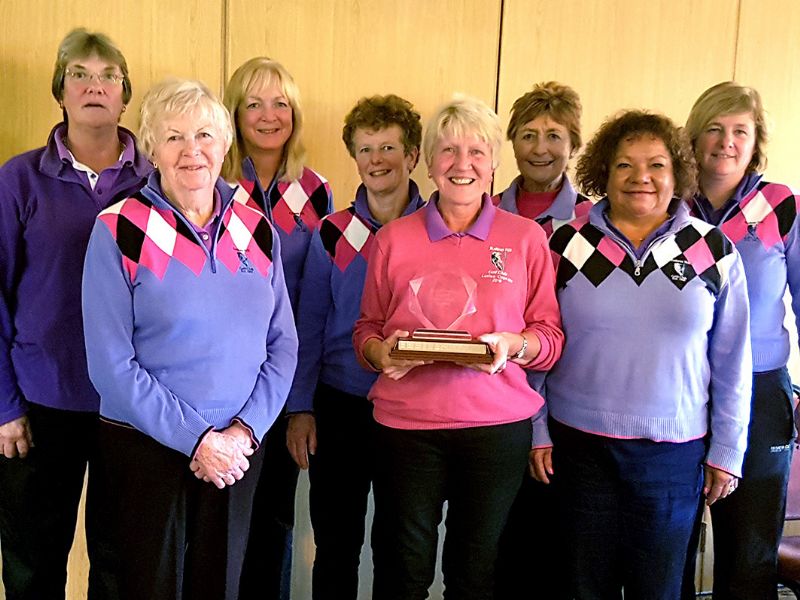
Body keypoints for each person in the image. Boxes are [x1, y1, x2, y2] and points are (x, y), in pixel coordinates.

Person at [81, 78, 298, 600]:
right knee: (147, 587)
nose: (191, 150)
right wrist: (198, 440)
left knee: (220, 586)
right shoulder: (118, 228)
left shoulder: (256, 227)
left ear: (225, 145)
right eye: (174, 136)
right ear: (153, 146)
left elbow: (283, 343)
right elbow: (110, 364)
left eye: (204, 134)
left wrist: (243, 434)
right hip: (147, 450)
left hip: (239, 452)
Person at [353, 95, 564, 600]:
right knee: (403, 571)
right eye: (448, 150)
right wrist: (384, 354)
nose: (462, 164)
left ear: (494, 163)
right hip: (407, 430)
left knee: (476, 574)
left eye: (476, 151)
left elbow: (550, 339)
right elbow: (366, 330)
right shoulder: (393, 240)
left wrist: (515, 345)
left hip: (496, 432)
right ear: (428, 162)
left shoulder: (528, 238)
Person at [543, 109, 752, 600]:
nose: (641, 178)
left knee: (657, 589)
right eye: (624, 165)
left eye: (656, 165)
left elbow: (732, 362)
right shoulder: (565, 244)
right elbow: (539, 340)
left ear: (677, 173)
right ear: (603, 173)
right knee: (580, 586)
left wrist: (728, 450)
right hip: (577, 447)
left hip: (673, 456)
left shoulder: (713, 250)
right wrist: (534, 430)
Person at [0, 28, 151, 599]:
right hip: (40, 404)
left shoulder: (154, 181)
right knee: (34, 564)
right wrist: (4, 405)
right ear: (60, 91)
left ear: (125, 94)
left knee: (120, 562)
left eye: (109, 76)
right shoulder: (18, 180)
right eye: (80, 75)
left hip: (129, 405)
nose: (95, 86)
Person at [285, 94, 426, 599]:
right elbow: (309, 326)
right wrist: (301, 407)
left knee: (399, 545)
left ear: (412, 156)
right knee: (337, 543)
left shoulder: (436, 232)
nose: (376, 160)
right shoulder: (332, 233)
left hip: (413, 411)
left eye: (388, 147)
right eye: (365, 149)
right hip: (339, 405)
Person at [683, 81, 800, 600]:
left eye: (739, 131)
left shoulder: (782, 206)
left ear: (757, 142)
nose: (725, 142)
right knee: (671, 544)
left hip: (761, 392)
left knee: (749, 550)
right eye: (713, 128)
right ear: (692, 138)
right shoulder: (667, 205)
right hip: (681, 391)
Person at [222, 57, 333, 599]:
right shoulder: (212, 181)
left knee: (274, 519)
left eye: (281, 103)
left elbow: (317, 300)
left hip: (284, 381)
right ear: (234, 114)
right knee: (219, 523)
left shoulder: (315, 193)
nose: (269, 116)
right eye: (254, 104)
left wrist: (300, 403)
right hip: (219, 382)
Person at [493, 81, 588, 600]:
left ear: (573, 143)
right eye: (528, 134)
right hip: (500, 409)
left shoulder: (592, 222)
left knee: (558, 555)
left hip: (570, 410)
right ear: (511, 142)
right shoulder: (484, 214)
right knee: (500, 553)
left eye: (554, 135)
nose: (540, 147)